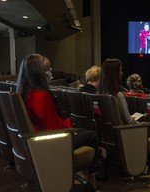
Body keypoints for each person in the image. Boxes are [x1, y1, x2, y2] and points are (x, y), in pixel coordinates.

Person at [16, 54, 100, 190]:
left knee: (83, 131)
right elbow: (55, 128)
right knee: (91, 135)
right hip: (51, 143)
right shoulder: (41, 96)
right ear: (39, 73)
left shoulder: (26, 92)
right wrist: (69, 124)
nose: (50, 72)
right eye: (48, 69)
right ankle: (91, 179)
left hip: (38, 142)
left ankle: (84, 176)